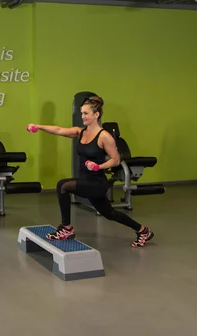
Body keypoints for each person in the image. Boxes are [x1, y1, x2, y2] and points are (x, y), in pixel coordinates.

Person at [27, 95, 154, 248]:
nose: (83, 116)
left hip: (97, 183)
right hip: (87, 181)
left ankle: (66, 228)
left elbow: (116, 159)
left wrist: (98, 167)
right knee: (110, 214)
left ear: (96, 114)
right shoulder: (80, 132)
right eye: (82, 113)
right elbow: (59, 130)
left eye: (86, 113)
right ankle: (143, 230)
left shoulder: (104, 136)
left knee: (63, 185)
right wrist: (38, 127)